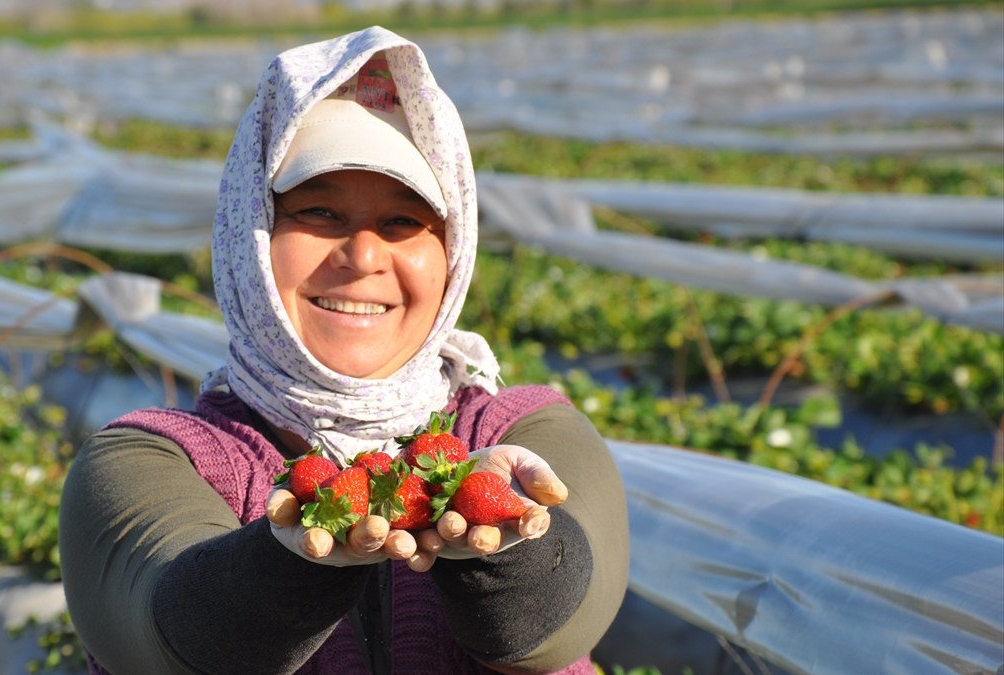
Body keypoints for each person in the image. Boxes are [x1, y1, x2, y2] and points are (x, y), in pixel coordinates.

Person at [59, 25, 629, 675]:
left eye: (401, 222)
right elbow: (169, 632)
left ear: (452, 249)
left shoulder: (528, 429)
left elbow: (560, 621)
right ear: (251, 234)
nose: (362, 256)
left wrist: (495, 537)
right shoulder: (149, 458)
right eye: (320, 212)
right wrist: (294, 559)